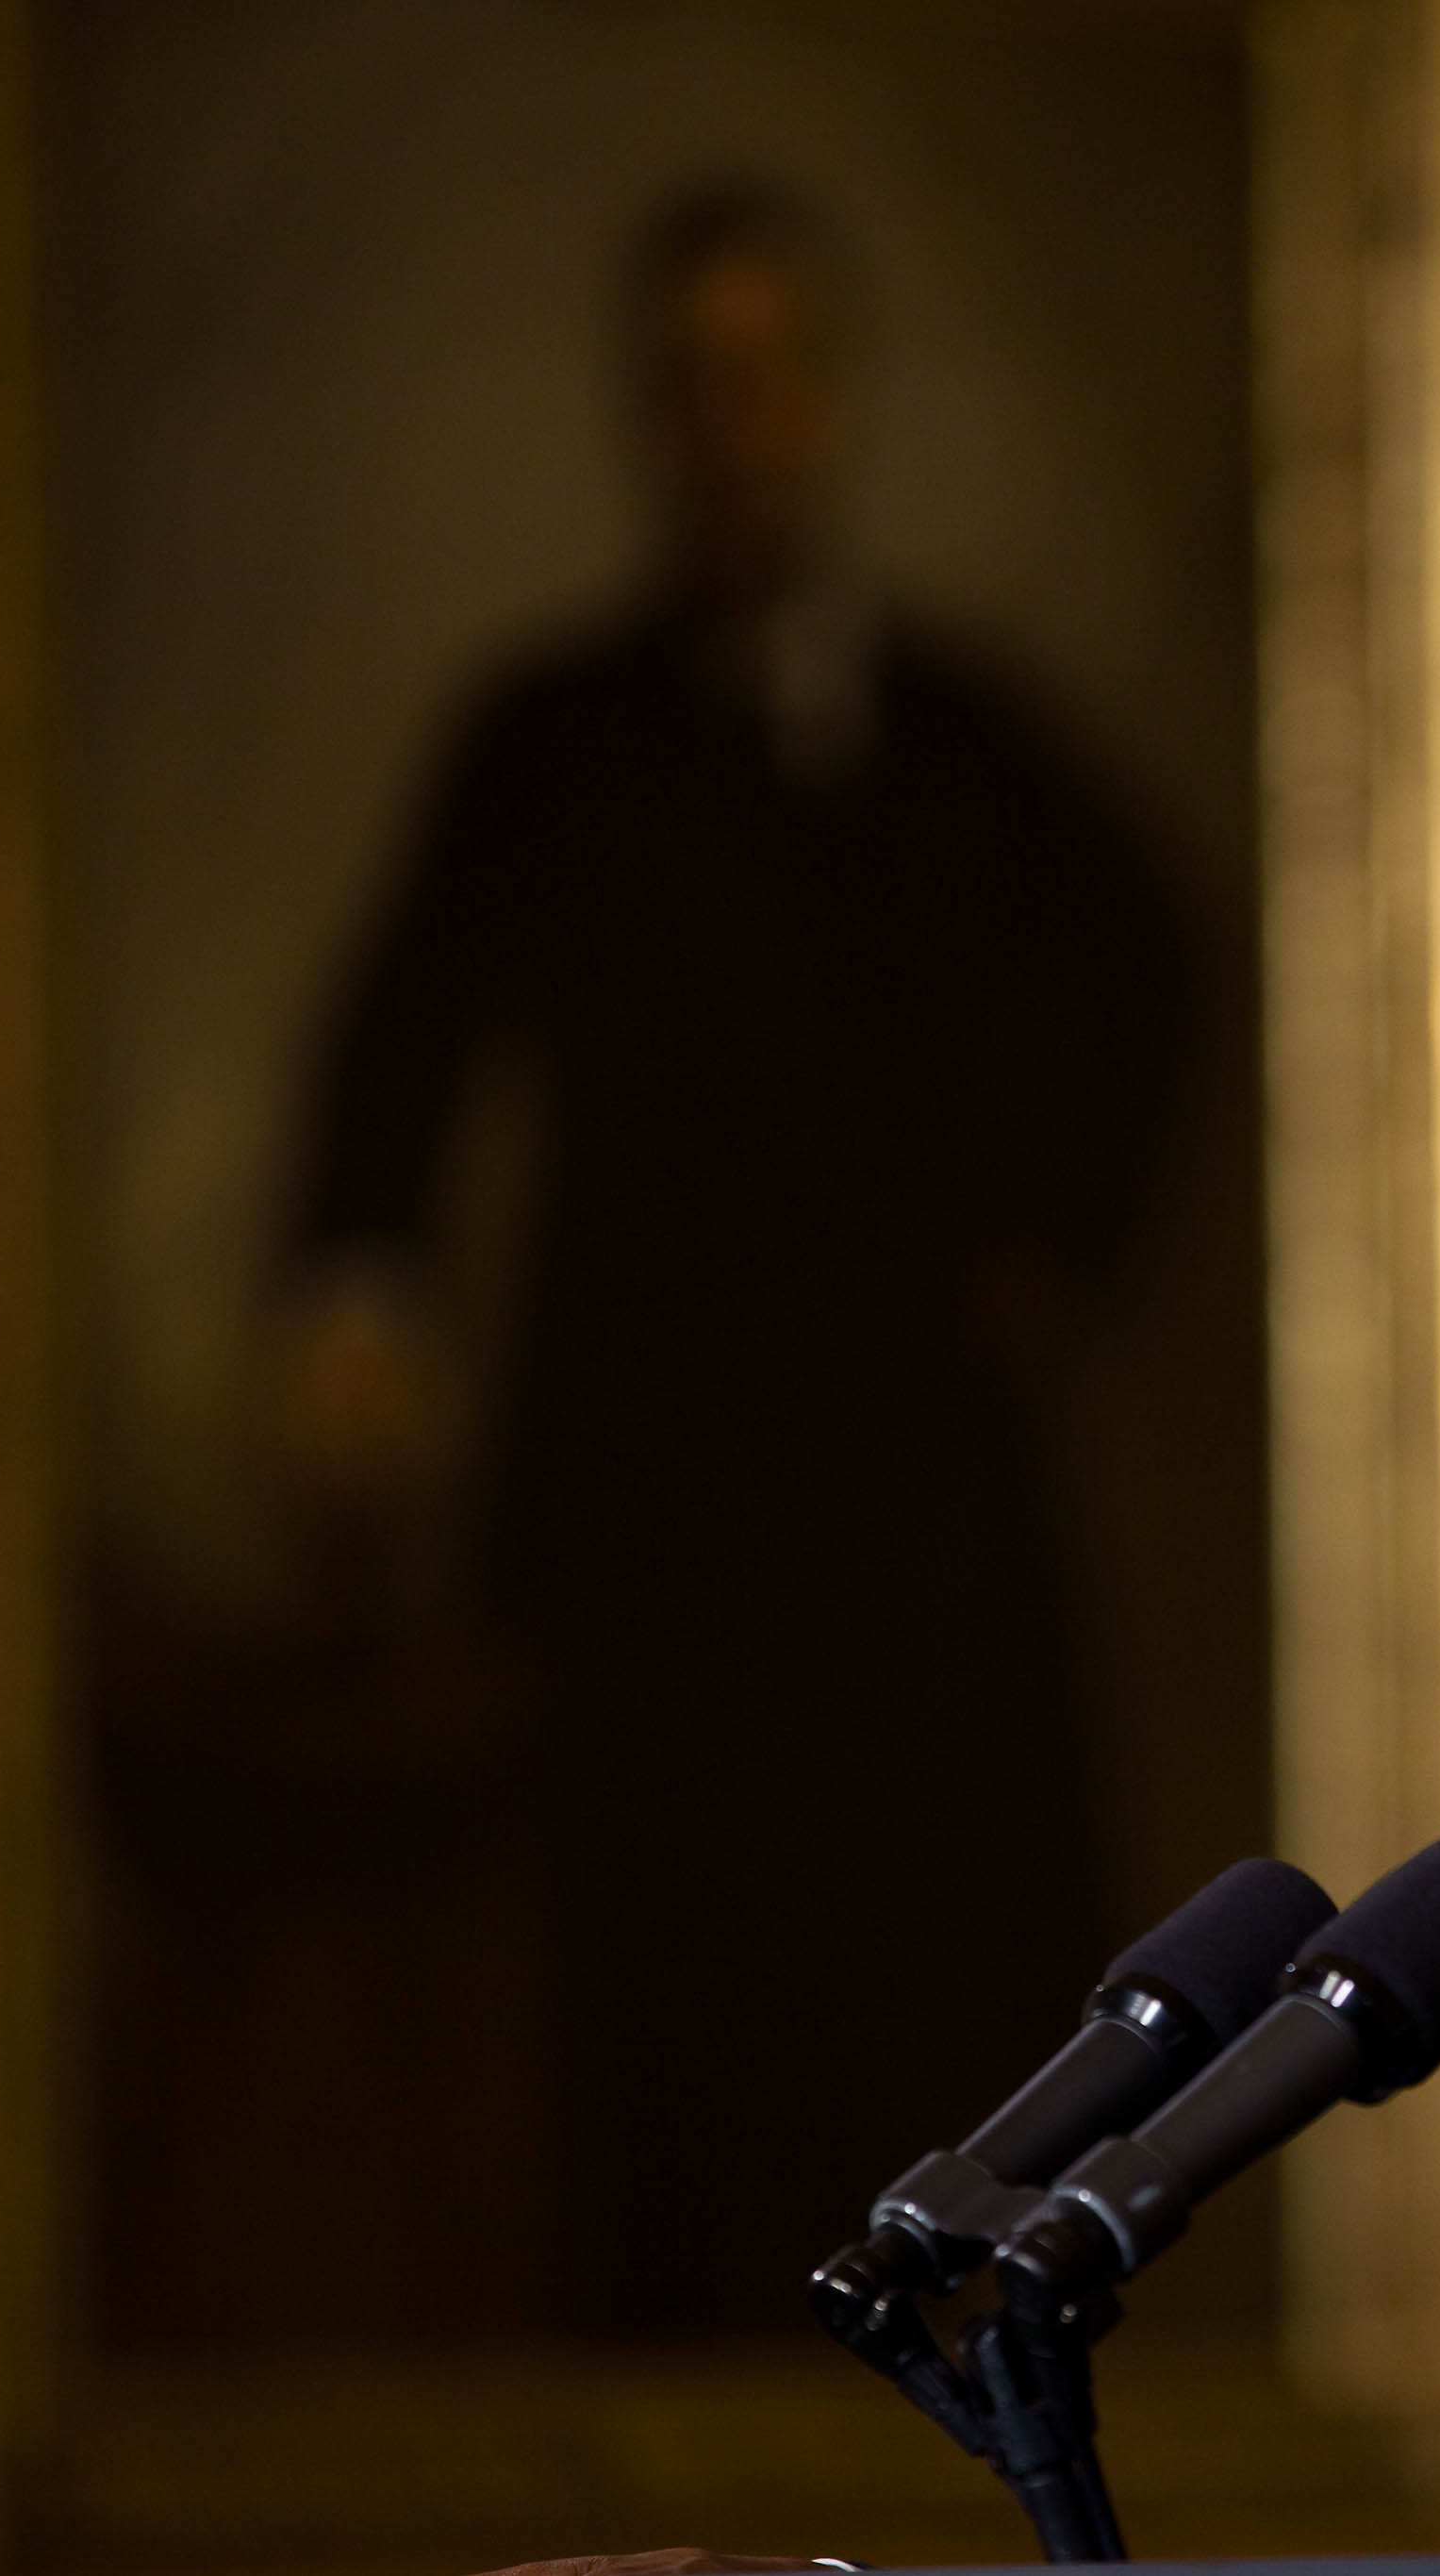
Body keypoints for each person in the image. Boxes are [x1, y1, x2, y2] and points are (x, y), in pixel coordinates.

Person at [279, 182, 1168, 2330]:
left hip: (909, 1536)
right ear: (647, 419)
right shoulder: (548, 738)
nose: (737, 425)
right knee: (643, 2039)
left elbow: (1154, 989)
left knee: (934, 2005)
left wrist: (1048, 1252)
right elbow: (391, 1052)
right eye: (695, 384)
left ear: (832, 407)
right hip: (635, 1515)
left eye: (772, 376)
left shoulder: (970, 746)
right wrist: (357, 1300)